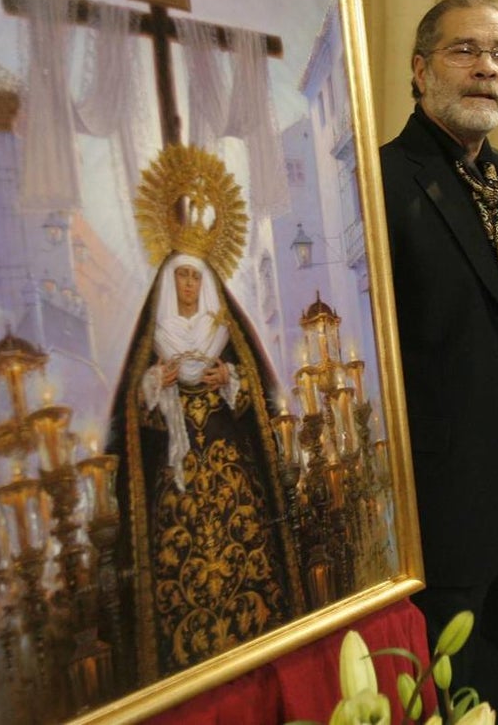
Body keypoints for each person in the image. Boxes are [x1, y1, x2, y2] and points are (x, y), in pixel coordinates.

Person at [380, 0, 498, 723]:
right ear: (420, 70)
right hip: (439, 497)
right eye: (466, 51)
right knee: (435, 693)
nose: (486, 69)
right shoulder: (379, 178)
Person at [107, 247, 303, 684]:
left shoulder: (223, 330)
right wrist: (153, 384)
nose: (190, 285)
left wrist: (230, 379)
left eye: (196, 277)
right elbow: (136, 420)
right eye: (182, 277)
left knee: (245, 550)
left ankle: (258, 639)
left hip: (231, 470)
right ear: (169, 284)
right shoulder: (155, 335)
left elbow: (257, 396)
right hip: (178, 483)